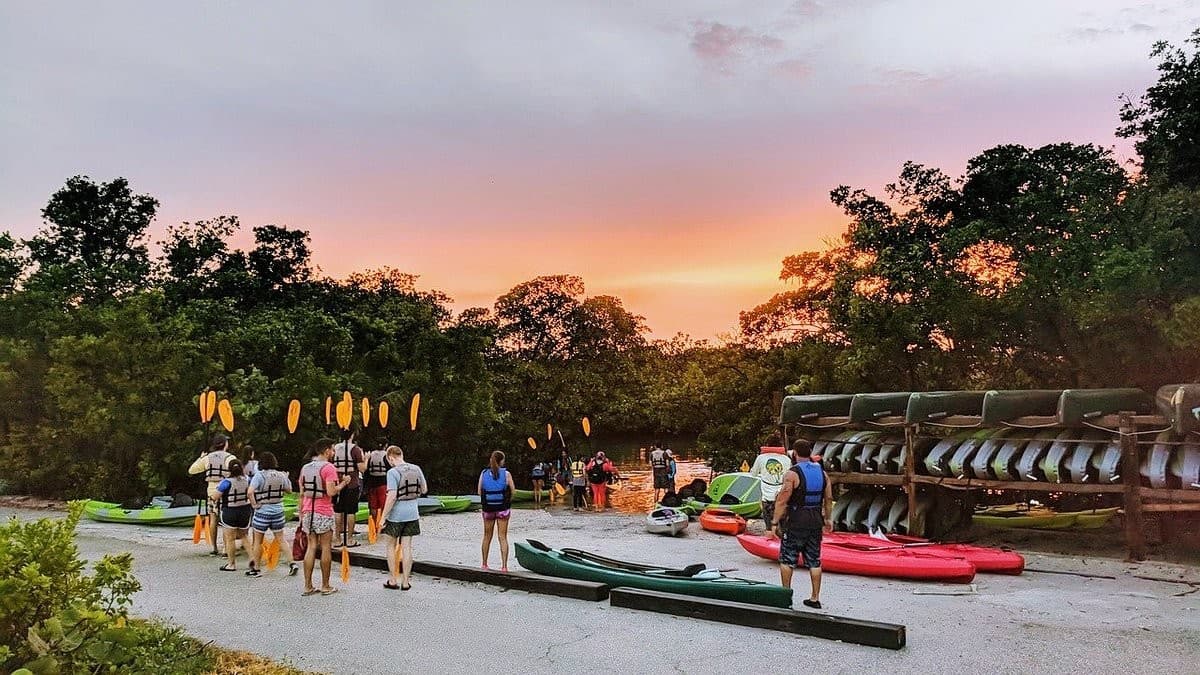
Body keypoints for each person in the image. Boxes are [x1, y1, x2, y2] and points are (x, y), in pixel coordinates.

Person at [770, 439, 833, 609]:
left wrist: (774, 523)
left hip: (796, 521)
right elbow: (828, 498)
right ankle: (814, 598)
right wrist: (828, 519)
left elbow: (783, 500)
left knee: (787, 558)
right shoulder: (822, 472)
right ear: (810, 453)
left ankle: (785, 596)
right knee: (814, 560)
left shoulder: (792, 474)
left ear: (795, 454)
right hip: (815, 521)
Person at [298, 439, 352, 597]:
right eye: (333, 450)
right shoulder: (329, 468)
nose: (334, 453)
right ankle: (325, 585)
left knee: (311, 546)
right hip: (323, 511)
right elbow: (331, 492)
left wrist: (301, 513)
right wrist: (343, 483)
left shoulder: (305, 467)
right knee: (326, 547)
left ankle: (308, 586)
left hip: (308, 511)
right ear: (327, 451)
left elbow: (302, 492)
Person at [379, 445, 427, 591]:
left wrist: (382, 518)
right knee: (407, 547)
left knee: (390, 547)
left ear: (390, 457)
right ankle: (405, 582)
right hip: (412, 513)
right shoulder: (416, 468)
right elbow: (424, 489)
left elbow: (392, 497)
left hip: (396, 515)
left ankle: (393, 580)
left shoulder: (393, 472)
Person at [246, 451, 296, 577]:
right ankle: (292, 563)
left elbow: (250, 492)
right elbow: (289, 491)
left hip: (263, 510)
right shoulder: (281, 475)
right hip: (278, 510)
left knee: (258, 541)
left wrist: (254, 504)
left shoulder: (259, 476)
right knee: (281, 539)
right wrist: (287, 477)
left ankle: (256, 569)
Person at [188, 435, 237, 556]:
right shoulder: (230, 458)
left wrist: (201, 458)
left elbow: (192, 470)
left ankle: (214, 548)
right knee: (226, 521)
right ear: (225, 444)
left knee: (213, 519)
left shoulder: (207, 458)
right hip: (226, 491)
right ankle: (226, 549)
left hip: (211, 491)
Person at [479, 450, 516, 571]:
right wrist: (508, 500)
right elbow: (513, 491)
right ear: (501, 461)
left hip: (488, 509)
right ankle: (504, 566)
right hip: (502, 509)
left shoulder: (483, 473)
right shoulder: (507, 474)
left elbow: (479, 491)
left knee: (486, 536)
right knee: (502, 537)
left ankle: (484, 564)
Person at [215, 459, 252, 572]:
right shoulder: (248, 480)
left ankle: (231, 564)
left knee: (230, 539)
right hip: (245, 510)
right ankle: (253, 560)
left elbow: (216, 496)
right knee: (244, 536)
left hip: (230, 511)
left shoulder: (226, 482)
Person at [331, 437, 366, 548]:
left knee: (338, 510)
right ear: (352, 435)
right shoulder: (355, 449)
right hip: (352, 483)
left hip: (338, 481)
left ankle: (337, 538)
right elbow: (362, 469)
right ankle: (350, 539)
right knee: (351, 511)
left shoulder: (335, 448)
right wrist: (367, 459)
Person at [750, 435, 788, 531]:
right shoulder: (786, 459)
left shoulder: (761, 458)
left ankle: (769, 532)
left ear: (767, 444)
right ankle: (784, 536)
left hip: (767, 496)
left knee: (768, 523)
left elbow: (753, 474)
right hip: (781, 495)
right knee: (783, 523)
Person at [363, 444, 393, 536]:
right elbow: (390, 469)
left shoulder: (370, 455)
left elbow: (366, 470)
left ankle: (374, 525)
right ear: (385, 446)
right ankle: (383, 525)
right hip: (383, 482)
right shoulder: (386, 455)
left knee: (373, 506)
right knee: (384, 505)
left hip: (372, 483)